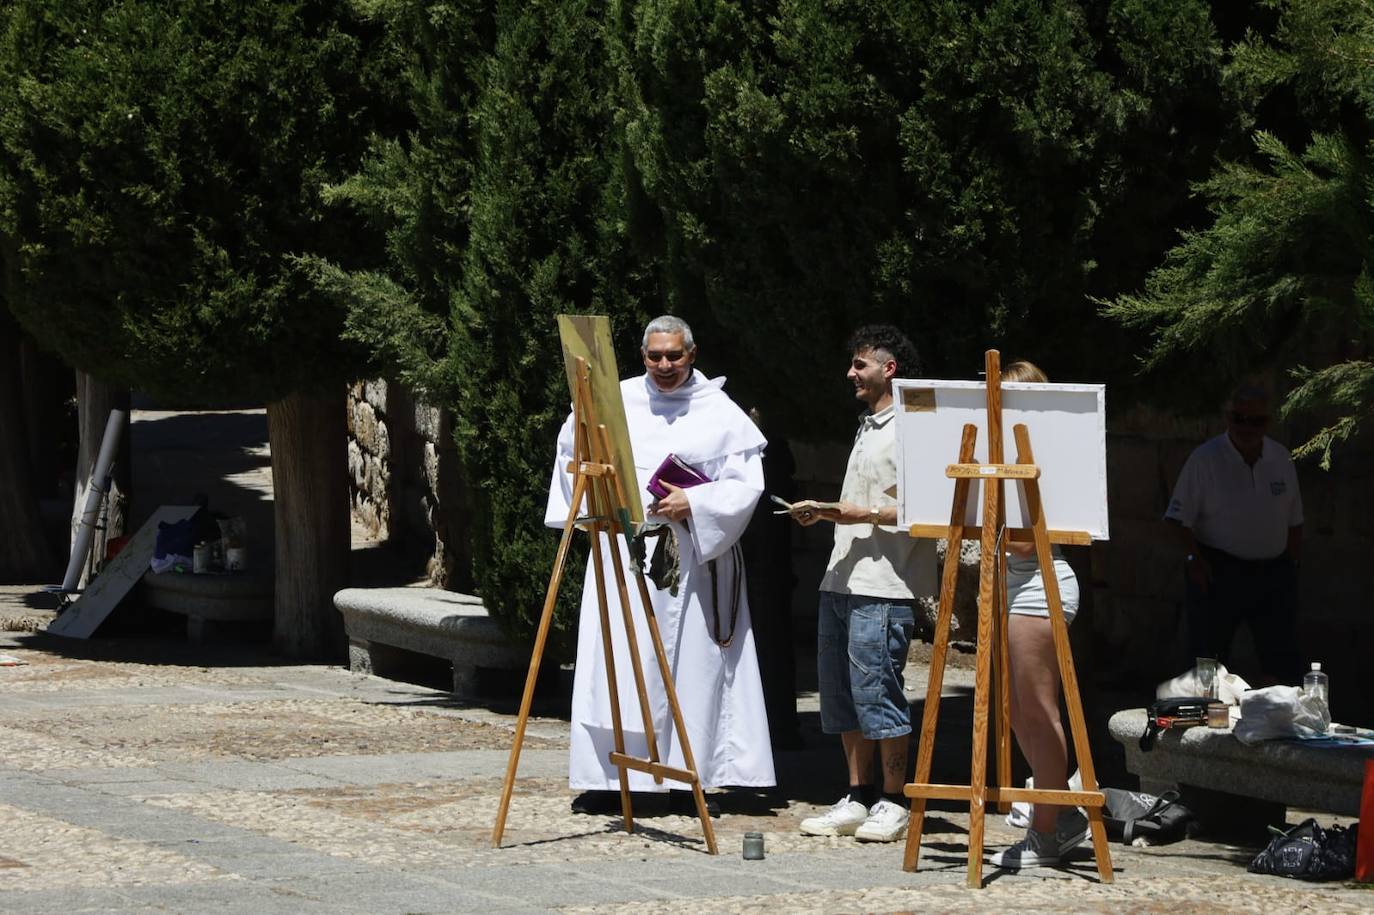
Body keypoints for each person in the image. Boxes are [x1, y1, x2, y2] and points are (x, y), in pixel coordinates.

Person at [545, 314, 775, 815]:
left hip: (692, 560)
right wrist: (598, 505)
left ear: (692, 354)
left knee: (692, 668)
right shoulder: (613, 401)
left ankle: (687, 775)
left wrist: (696, 504)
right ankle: (614, 776)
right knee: (617, 667)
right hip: (622, 555)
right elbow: (572, 459)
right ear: (642, 356)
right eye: (655, 356)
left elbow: (745, 485)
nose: (665, 365)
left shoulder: (719, 411)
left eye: (675, 355)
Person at [793, 325, 937, 843]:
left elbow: (928, 507)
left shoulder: (915, 427)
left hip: (885, 582)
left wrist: (858, 510)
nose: (851, 373)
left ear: (888, 368)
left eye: (860, 365)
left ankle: (895, 800)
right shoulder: (869, 426)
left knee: (879, 692)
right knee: (841, 696)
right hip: (841, 577)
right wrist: (832, 513)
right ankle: (857, 795)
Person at [986, 360, 1089, 870]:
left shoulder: (1046, 455)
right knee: (1019, 713)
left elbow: (1029, 537)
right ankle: (1059, 811)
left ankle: (1047, 831)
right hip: (1012, 585)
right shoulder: (999, 450)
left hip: (1039, 586)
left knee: (1038, 710)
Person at [1164, 382, 1303, 685]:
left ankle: (1278, 723)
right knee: (1207, 664)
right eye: (1239, 418)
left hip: (1273, 573)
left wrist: (1290, 567)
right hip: (1217, 569)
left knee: (1281, 660)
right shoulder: (1205, 459)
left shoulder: (1281, 459)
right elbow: (1176, 519)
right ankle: (1205, 725)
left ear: (1269, 422)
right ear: (1227, 417)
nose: (1247, 427)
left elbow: (1295, 521)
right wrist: (1193, 559)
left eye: (1257, 421)